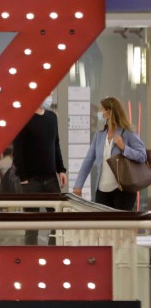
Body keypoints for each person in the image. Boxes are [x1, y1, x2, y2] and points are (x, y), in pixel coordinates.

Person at [71, 96, 148, 210]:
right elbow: (88, 160)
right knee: (103, 227)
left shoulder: (127, 132)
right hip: (102, 191)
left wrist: (124, 148)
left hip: (122, 190)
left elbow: (142, 156)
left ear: (110, 112)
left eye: (101, 109)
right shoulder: (100, 134)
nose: (99, 113)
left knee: (121, 227)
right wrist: (78, 185)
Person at [11, 95, 66, 244]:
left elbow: (56, 144)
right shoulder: (23, 119)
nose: (48, 96)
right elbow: (18, 151)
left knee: (58, 222)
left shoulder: (52, 117)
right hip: (31, 180)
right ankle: (31, 259)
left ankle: (52, 255)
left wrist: (61, 169)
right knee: (31, 226)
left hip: (51, 179)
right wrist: (23, 177)